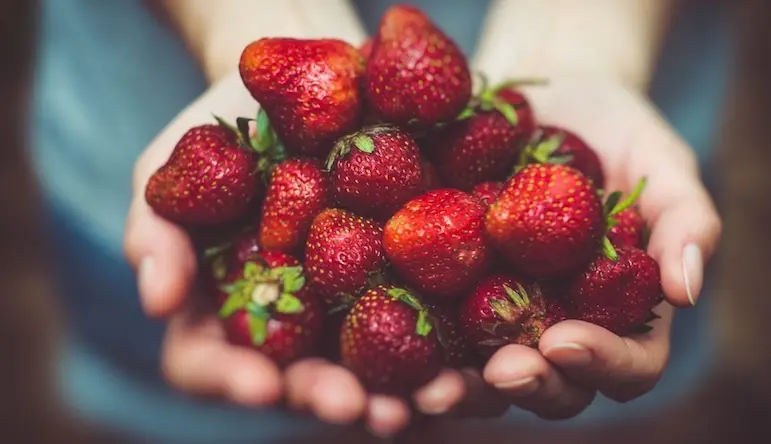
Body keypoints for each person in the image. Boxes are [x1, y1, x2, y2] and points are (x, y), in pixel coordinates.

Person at [31, 0, 724, 442]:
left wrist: (584, 34)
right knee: (170, 416)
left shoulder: (461, 203)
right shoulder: (326, 188)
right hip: (136, 94)